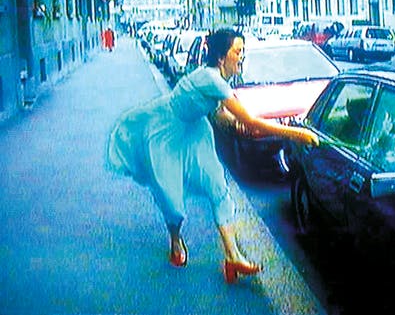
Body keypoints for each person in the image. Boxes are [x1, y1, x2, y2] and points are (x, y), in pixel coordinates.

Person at [107, 28, 319, 283]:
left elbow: (218, 114)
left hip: (197, 132)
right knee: (173, 203)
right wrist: (297, 134)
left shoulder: (220, 79)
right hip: (168, 131)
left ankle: (233, 257)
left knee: (218, 188)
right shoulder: (211, 79)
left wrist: (232, 122)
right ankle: (175, 239)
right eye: (238, 51)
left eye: (243, 51)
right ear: (221, 57)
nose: (242, 57)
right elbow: (252, 121)